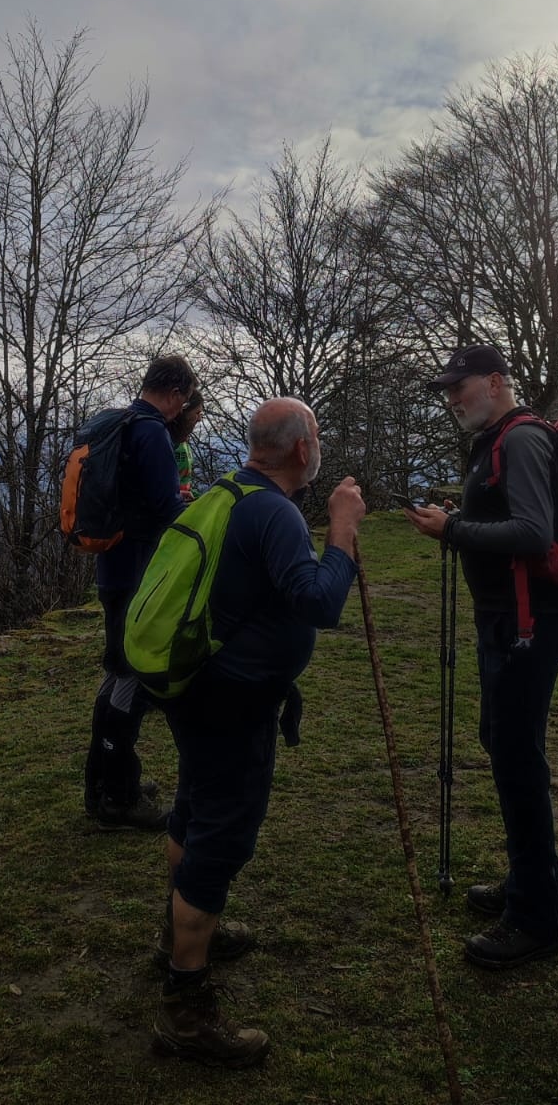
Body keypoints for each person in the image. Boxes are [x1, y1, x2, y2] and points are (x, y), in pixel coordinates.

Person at [152, 397, 365, 1067]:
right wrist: (342, 530)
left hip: (197, 688)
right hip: (234, 702)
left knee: (194, 807)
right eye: (317, 436)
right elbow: (318, 602)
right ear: (302, 449)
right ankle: (186, 1011)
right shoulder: (274, 511)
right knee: (221, 839)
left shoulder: (229, 492)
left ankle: (178, 932)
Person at [404, 345, 558, 970]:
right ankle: (528, 883)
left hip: (528, 621)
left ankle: (537, 917)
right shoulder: (498, 439)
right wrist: (461, 520)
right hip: (511, 617)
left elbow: (533, 532)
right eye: (448, 389)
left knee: (516, 756)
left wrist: (451, 530)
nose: (453, 398)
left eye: (461, 386)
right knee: (506, 745)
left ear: (496, 382)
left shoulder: (521, 439)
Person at [83, 353, 197, 830]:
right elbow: (167, 509)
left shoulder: (120, 423)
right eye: (183, 401)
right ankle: (120, 798)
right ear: (173, 393)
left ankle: (103, 784)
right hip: (138, 575)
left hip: (113, 569)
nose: (181, 410)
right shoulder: (150, 432)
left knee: (116, 674)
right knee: (131, 678)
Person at [167, 389, 205, 502]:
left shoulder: (183, 442)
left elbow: (184, 482)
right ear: (182, 412)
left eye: (201, 414)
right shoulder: (165, 440)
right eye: (197, 413)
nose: (200, 419)